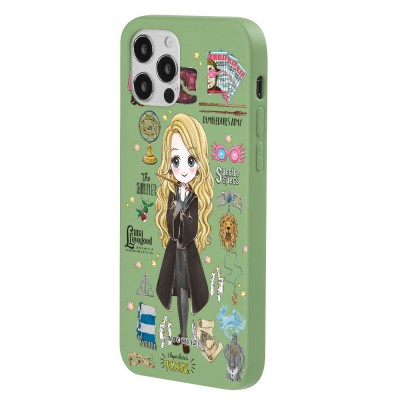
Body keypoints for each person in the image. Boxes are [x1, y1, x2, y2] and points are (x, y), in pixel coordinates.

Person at [155, 113, 214, 354]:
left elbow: (192, 229)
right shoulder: (171, 195)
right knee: (178, 291)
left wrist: (181, 211)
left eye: (191, 160)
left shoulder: (194, 198)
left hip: (187, 251)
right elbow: (171, 228)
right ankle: (182, 334)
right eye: (176, 160)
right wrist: (176, 211)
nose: (182, 169)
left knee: (186, 291)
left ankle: (185, 334)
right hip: (175, 251)